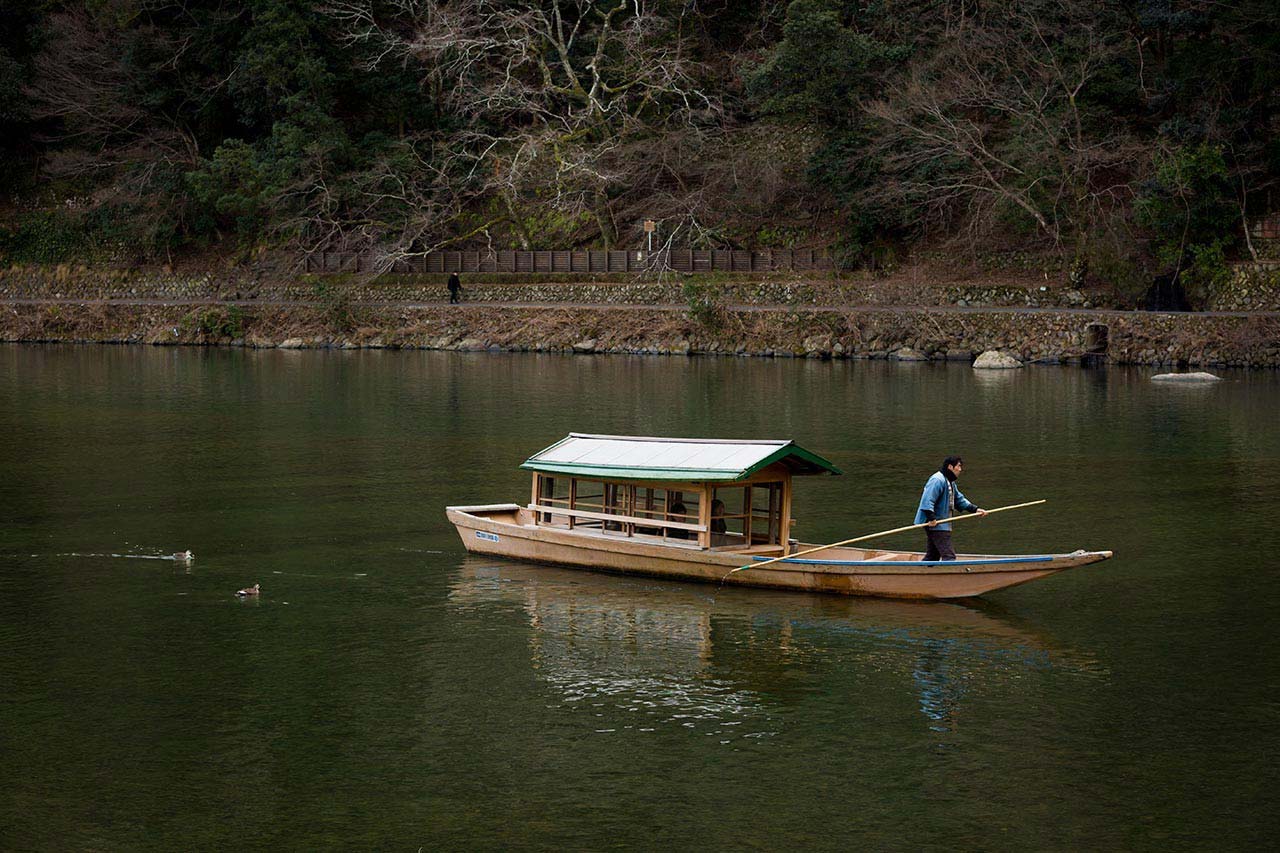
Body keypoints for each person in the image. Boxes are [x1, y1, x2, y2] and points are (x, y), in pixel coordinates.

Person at [914, 456, 986, 561]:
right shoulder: (937, 480)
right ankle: (949, 575)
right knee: (949, 556)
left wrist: (975, 509)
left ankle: (921, 573)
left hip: (941, 523)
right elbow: (927, 500)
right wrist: (931, 518)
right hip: (936, 523)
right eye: (959, 466)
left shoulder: (950, 482)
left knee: (933, 556)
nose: (960, 470)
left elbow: (959, 500)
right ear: (950, 467)